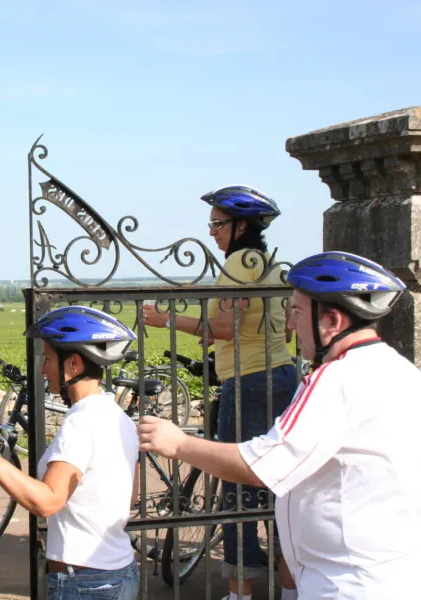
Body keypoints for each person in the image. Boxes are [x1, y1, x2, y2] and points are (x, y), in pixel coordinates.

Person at [138, 251, 421, 599]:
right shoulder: (399, 369)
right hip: (384, 571)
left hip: (347, 582)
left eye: (297, 312)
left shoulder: (336, 378)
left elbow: (262, 466)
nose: (290, 325)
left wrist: (179, 444)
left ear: (331, 321)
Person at [142, 185, 297, 599]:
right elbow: (277, 330)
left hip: (248, 382)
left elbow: (226, 327)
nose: (211, 231)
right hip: (282, 376)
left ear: (240, 225)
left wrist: (165, 318)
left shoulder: (237, 265)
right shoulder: (267, 265)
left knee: (236, 485)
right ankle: (292, 589)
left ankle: (239, 592)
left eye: (217, 223)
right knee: (282, 484)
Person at [0, 305, 140, 600]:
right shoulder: (119, 418)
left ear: (73, 364)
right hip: (120, 572)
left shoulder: (81, 423)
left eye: (47, 359)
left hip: (84, 582)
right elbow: (129, 498)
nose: (43, 369)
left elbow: (47, 502)